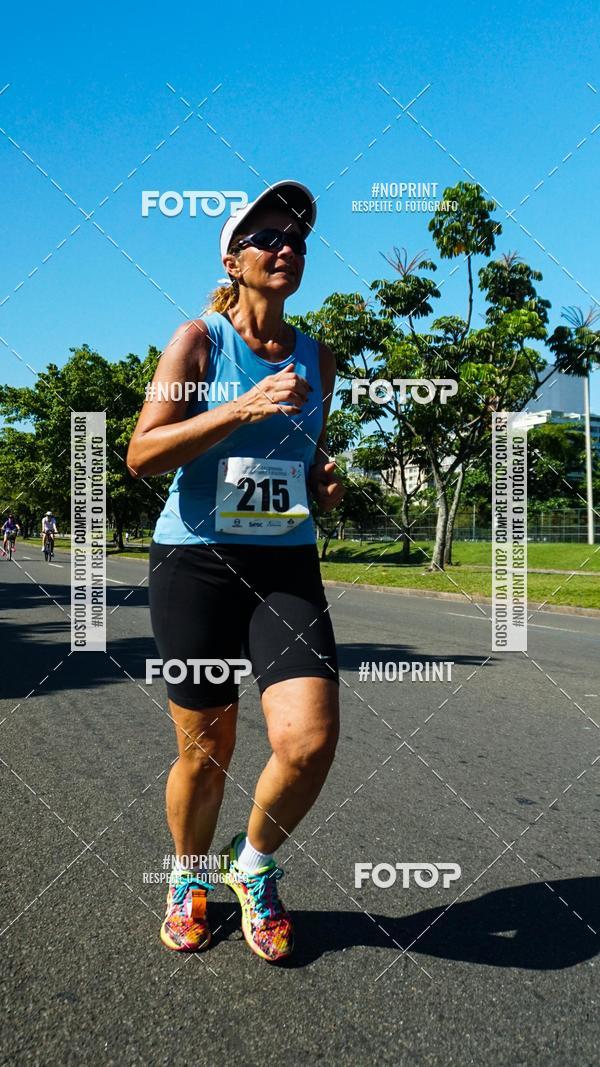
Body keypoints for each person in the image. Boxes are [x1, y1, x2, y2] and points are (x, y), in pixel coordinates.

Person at [127, 180, 345, 963]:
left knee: (309, 739)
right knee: (205, 748)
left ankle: (252, 864)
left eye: (297, 238)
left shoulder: (321, 356)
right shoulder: (199, 341)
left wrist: (323, 478)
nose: (287, 247)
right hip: (195, 561)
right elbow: (143, 454)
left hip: (285, 562)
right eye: (269, 236)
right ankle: (189, 875)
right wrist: (239, 409)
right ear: (234, 258)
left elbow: (309, 453)